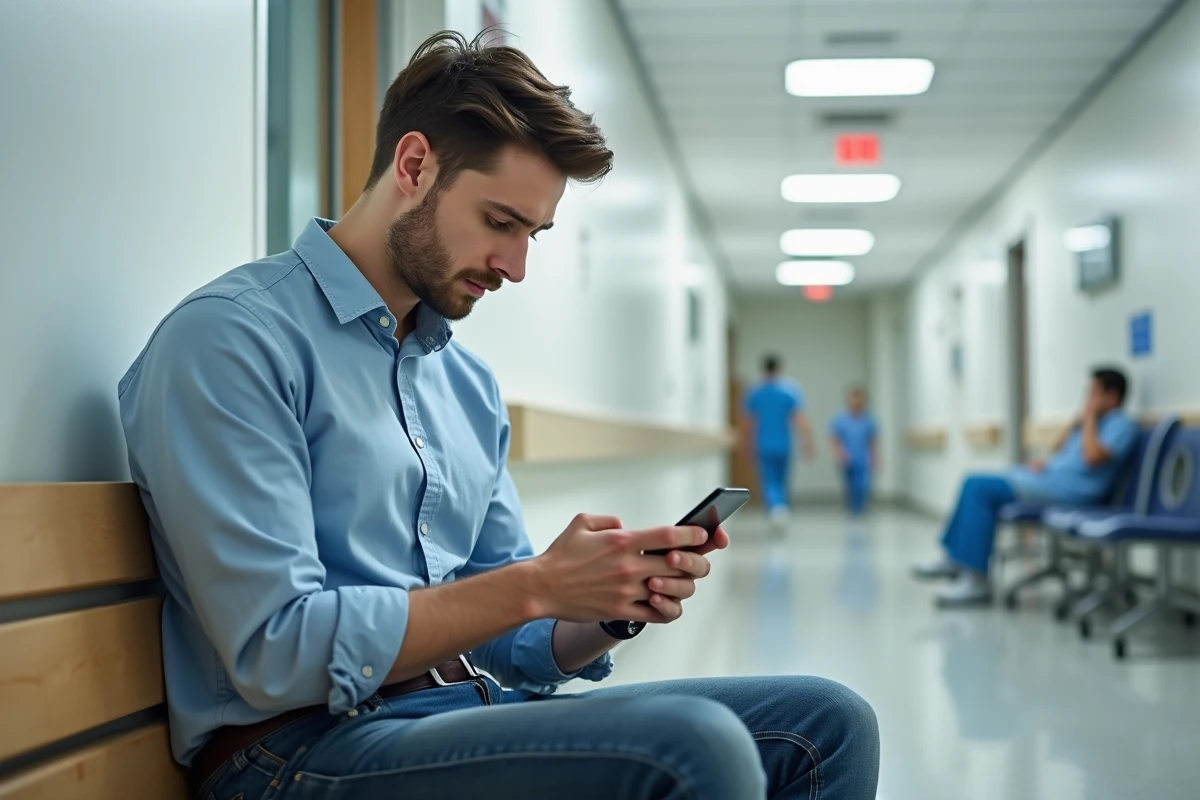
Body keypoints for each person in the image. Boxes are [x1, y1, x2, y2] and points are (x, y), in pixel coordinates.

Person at [118, 31, 878, 800]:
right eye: (500, 222)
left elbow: (512, 639)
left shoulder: (465, 384)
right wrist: (537, 584)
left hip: (451, 713)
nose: (515, 266)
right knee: (694, 747)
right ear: (414, 166)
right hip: (294, 751)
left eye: (532, 235)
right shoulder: (233, 339)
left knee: (827, 722)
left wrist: (603, 605)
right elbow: (275, 651)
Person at [912, 367, 1137, 606]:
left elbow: (1092, 457)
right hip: (1049, 479)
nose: (1087, 400)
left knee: (978, 487)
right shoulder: (1090, 424)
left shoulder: (1122, 424)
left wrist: (1090, 417)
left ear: (1112, 396)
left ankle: (976, 579)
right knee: (972, 482)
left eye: (1093, 393)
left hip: (1070, 492)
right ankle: (955, 560)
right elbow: (1059, 448)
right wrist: (1069, 434)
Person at [743, 355, 815, 530]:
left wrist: (745, 444)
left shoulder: (755, 392)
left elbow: (748, 422)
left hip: (763, 444)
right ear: (780, 369)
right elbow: (799, 419)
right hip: (783, 444)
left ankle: (776, 510)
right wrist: (807, 441)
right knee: (781, 480)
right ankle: (780, 508)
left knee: (769, 480)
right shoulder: (790, 390)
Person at [830, 386, 879, 516]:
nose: (856, 401)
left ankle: (860, 508)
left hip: (863, 458)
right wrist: (839, 453)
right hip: (847, 458)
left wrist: (875, 458)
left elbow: (872, 440)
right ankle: (852, 508)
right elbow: (834, 439)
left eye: (858, 398)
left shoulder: (868, 419)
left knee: (861, 485)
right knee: (850, 485)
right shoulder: (840, 419)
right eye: (853, 398)